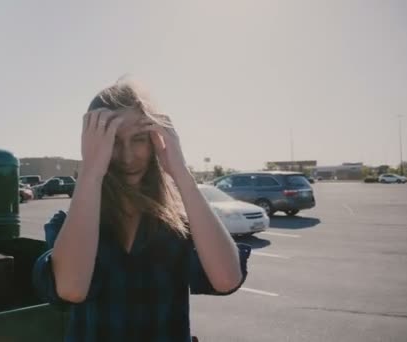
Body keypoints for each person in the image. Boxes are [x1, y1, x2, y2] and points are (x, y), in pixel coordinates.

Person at [33, 80, 251, 342]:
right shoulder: (72, 224)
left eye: (138, 139)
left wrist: (180, 172)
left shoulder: (177, 225)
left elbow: (226, 279)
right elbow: (70, 289)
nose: (127, 157)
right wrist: (91, 172)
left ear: (155, 141)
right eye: (113, 141)